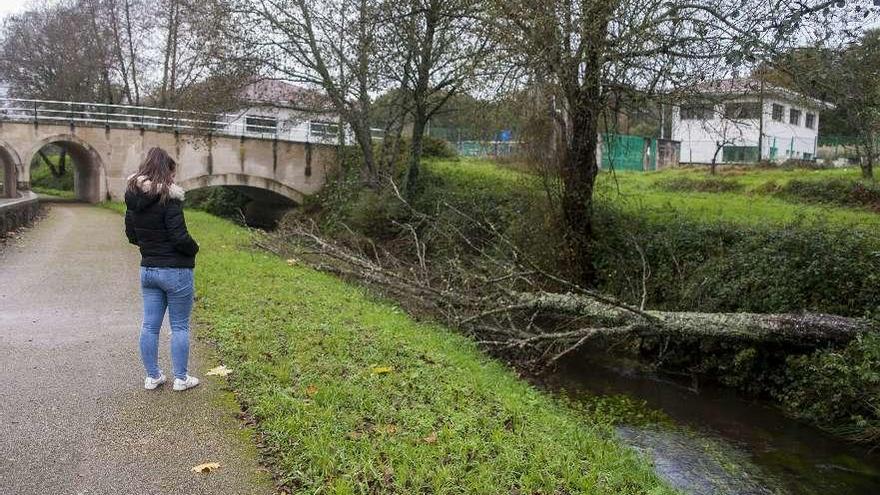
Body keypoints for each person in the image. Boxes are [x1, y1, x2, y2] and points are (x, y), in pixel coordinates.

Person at [124, 147, 200, 391]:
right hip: (176, 271)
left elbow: (132, 236)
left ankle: (153, 376)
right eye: (172, 173)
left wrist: (151, 247)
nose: (174, 178)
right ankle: (181, 378)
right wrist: (194, 248)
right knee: (179, 326)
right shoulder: (170, 199)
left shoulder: (133, 200)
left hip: (149, 270)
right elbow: (180, 238)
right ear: (166, 172)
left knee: (149, 325)